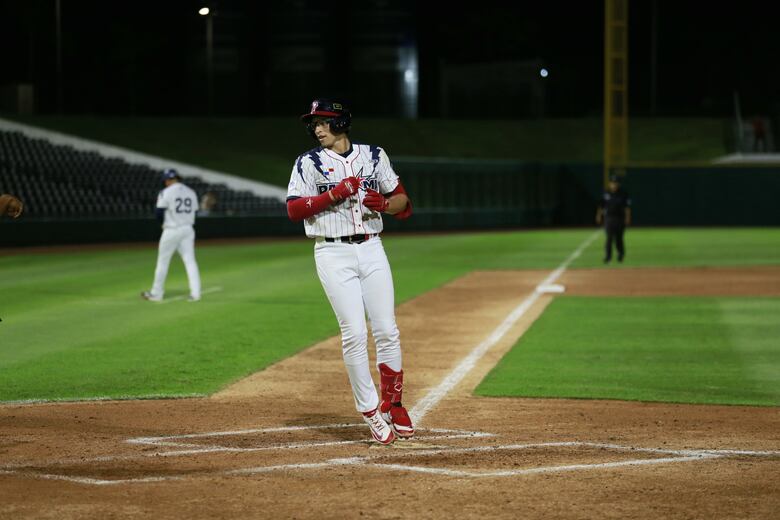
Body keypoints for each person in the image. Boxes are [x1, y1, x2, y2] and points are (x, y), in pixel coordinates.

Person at [286, 98, 414, 445]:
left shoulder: (374, 155)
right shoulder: (309, 162)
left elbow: (402, 199)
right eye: (313, 124)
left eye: (323, 122)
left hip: (372, 247)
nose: (317, 129)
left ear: (341, 122)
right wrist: (334, 196)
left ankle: (394, 404)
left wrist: (385, 205)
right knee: (355, 333)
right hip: (332, 251)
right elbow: (295, 209)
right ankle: (371, 411)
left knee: (387, 329)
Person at [142, 168, 201, 302]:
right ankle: (196, 293)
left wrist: (163, 223)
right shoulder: (191, 192)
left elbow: (159, 212)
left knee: (163, 262)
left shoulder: (166, 192)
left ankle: (157, 293)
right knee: (190, 261)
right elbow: (195, 212)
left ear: (168, 180)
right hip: (188, 229)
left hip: (172, 229)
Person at [596, 173, 632, 263]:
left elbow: (627, 207)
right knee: (609, 238)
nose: (614, 184)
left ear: (618, 184)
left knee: (619, 238)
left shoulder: (623, 193)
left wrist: (627, 218)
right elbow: (601, 205)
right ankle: (608, 257)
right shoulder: (606, 193)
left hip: (620, 218)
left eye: (616, 183)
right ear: (609, 184)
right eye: (612, 182)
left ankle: (621, 254)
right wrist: (598, 215)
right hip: (609, 218)